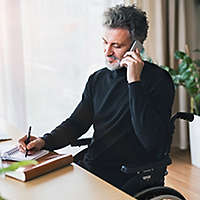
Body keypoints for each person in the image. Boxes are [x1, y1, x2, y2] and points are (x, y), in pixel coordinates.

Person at [18, 4, 175, 196]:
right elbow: (76, 123)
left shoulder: (158, 81)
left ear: (137, 47)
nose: (107, 52)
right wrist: (44, 141)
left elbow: (152, 141)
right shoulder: (98, 79)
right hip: (93, 165)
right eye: (104, 42)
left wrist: (134, 82)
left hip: (129, 173)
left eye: (116, 46)